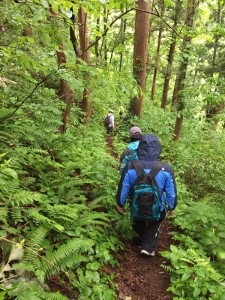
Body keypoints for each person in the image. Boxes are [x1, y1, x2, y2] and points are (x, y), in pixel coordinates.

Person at [116, 134, 177, 256]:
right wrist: (172, 207)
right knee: (155, 220)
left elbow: (124, 187)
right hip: (158, 208)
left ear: (140, 148)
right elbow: (171, 192)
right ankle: (148, 247)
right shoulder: (166, 168)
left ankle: (138, 241)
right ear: (158, 149)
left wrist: (120, 203)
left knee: (138, 217)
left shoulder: (130, 166)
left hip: (136, 205)